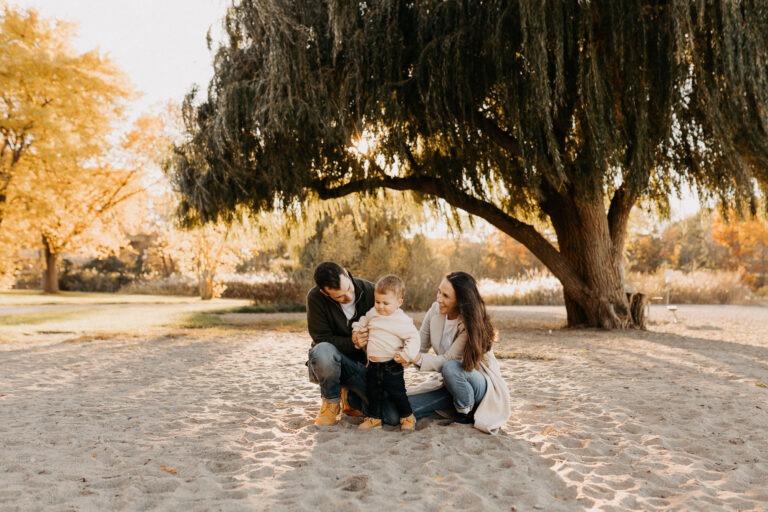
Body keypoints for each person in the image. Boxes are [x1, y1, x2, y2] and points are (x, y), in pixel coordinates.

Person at [395, 271, 511, 434]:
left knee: (451, 367)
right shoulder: (435, 310)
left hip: (478, 384)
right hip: (449, 384)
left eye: (446, 296)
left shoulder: (469, 324)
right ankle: (456, 407)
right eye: (438, 291)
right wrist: (396, 358)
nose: (438, 298)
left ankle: (466, 411)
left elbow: (447, 360)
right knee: (398, 411)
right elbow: (418, 347)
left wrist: (416, 358)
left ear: (460, 301)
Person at [306, 261, 374, 426]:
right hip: (331, 359)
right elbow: (321, 337)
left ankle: (349, 397)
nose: (348, 297)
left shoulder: (371, 291)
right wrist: (353, 341)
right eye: (340, 297)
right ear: (325, 293)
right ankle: (330, 403)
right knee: (322, 350)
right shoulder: (315, 298)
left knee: (386, 411)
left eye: (349, 289)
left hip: (365, 365)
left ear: (346, 273)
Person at [352, 275, 420, 431]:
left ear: (399, 302)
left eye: (386, 303)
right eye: (377, 302)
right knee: (373, 394)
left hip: (392, 365)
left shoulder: (402, 320)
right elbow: (363, 320)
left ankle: (407, 416)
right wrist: (357, 329)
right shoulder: (373, 313)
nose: (381, 306)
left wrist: (406, 354)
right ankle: (374, 419)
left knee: (398, 393)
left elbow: (414, 338)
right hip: (373, 365)